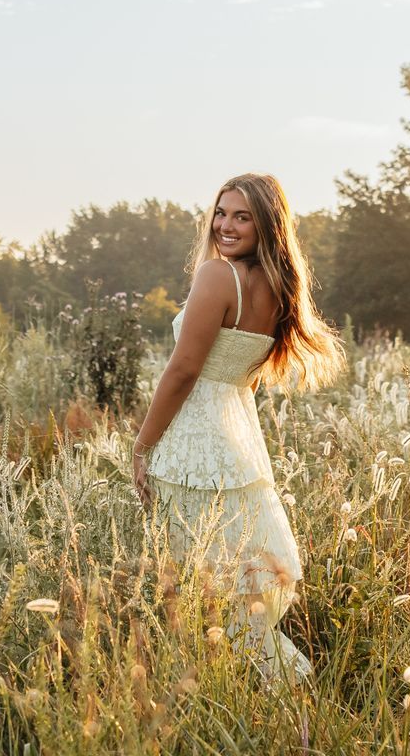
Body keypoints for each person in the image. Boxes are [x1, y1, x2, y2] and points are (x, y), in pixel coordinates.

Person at [130, 172, 346, 682]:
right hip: (237, 441)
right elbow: (242, 379)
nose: (225, 226)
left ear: (267, 223)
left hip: (191, 446)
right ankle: (252, 690)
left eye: (242, 216)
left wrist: (142, 445)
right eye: (221, 213)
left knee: (197, 581)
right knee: (236, 584)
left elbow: (183, 371)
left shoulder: (216, 276)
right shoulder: (279, 287)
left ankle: (273, 688)